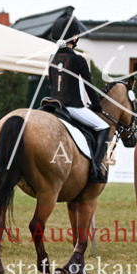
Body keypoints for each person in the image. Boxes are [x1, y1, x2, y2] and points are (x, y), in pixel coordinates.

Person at [47, 10, 110, 183]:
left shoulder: (51, 58)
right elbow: (89, 87)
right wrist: (96, 106)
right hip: (72, 107)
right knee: (104, 127)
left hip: (52, 106)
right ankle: (95, 169)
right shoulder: (79, 59)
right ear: (74, 38)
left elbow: (52, 84)